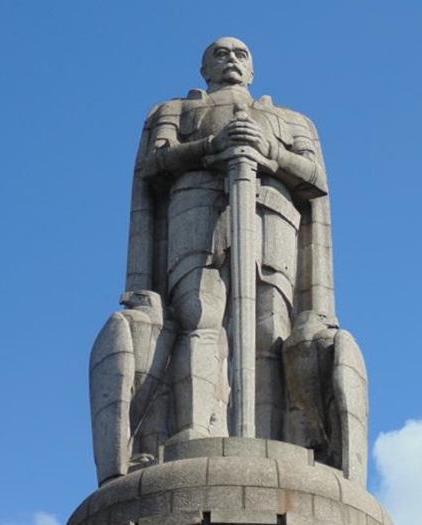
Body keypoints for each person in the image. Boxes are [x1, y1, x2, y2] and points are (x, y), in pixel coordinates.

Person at [125, 37, 337, 442]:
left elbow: (315, 178)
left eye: (241, 54)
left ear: (252, 71)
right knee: (198, 315)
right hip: (195, 214)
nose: (231, 59)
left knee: (270, 329)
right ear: (204, 69)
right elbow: (153, 163)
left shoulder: (293, 121)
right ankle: (195, 427)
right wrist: (210, 146)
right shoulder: (174, 110)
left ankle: (271, 438)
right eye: (220, 54)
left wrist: (271, 151)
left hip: (271, 220)